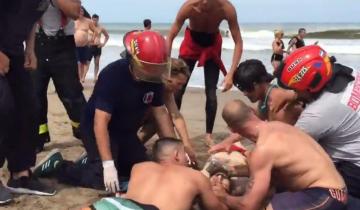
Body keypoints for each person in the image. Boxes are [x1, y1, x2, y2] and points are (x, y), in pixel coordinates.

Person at [32, 30, 176, 193]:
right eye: (151, 69)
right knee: (103, 180)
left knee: (139, 169)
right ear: (135, 61)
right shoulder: (113, 75)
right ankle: (59, 167)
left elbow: (161, 114)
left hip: (125, 131)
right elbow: (100, 121)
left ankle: (92, 161)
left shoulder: (155, 79)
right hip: (97, 128)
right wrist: (107, 165)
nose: (156, 74)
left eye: (159, 68)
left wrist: (175, 149)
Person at [0, 0, 82, 204]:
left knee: (29, 107)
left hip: (15, 50)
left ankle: (20, 174)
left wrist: (30, 48)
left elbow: (33, 19)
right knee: (3, 106)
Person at [212, 99, 347, 210]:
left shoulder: (263, 150)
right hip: (338, 189)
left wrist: (223, 197)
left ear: (231, 129)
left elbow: (248, 205)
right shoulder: (279, 126)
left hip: (324, 195)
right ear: (252, 111)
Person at [273, 45, 360, 198]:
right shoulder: (349, 72)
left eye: (295, 89)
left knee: (286, 177)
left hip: (354, 173)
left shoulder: (316, 114)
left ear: (311, 86)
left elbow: (283, 150)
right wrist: (294, 96)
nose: (294, 92)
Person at [167, 0, 243, 146]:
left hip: (212, 45)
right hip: (191, 43)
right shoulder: (189, 7)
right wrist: (167, 65)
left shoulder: (226, 8)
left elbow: (238, 41)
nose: (204, 3)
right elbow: (170, 36)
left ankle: (208, 135)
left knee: (211, 93)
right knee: (177, 89)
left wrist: (230, 74)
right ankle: (171, 129)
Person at [84, 138, 228, 210]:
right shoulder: (195, 176)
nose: (187, 160)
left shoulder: (139, 167)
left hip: (111, 205)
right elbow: (216, 208)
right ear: (177, 155)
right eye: (186, 156)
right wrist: (222, 194)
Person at [31, 0, 87, 151]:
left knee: (72, 95)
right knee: (35, 95)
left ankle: (84, 131)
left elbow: (75, 12)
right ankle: (38, 136)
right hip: (36, 43)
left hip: (64, 46)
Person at [138, 58, 196, 161]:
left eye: (182, 84)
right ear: (167, 78)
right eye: (178, 84)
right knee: (160, 114)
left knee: (164, 117)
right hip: (128, 121)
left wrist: (186, 144)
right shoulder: (150, 83)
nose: (180, 88)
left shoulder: (167, 91)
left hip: (142, 121)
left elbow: (176, 116)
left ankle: (138, 143)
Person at [233, 59, 303, 124]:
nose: (244, 93)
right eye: (242, 89)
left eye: (246, 88)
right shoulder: (265, 98)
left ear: (256, 85)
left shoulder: (277, 104)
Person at [75, 7, 97, 83]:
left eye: (82, 11)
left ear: (83, 12)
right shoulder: (73, 20)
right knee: (77, 63)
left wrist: (92, 40)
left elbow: (95, 31)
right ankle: (78, 79)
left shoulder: (88, 21)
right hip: (74, 46)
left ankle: (81, 79)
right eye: (79, 11)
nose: (80, 12)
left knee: (83, 64)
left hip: (84, 46)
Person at [87, 14, 109, 82]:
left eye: (96, 20)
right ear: (91, 19)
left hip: (98, 47)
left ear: (98, 20)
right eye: (93, 20)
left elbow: (107, 36)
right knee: (87, 62)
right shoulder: (88, 27)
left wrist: (103, 44)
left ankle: (95, 77)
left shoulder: (101, 28)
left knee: (97, 62)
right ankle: (83, 77)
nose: (94, 21)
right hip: (90, 46)